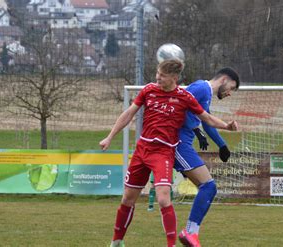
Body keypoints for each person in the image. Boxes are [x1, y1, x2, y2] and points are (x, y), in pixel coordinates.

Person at [99, 59, 239, 247]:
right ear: (224, 79)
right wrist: (109, 137)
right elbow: (129, 113)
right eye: (157, 73)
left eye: (162, 75)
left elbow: (205, 117)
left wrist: (224, 129)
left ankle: (176, 241)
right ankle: (117, 242)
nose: (157, 77)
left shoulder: (187, 95)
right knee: (128, 198)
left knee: (165, 198)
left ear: (174, 78)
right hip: (152, 148)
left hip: (164, 151)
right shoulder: (153, 90)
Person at [175, 68, 240, 247]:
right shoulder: (202, 88)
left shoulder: (205, 93)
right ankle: (189, 232)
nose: (229, 93)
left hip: (182, 144)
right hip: (177, 144)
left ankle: (190, 233)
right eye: (231, 88)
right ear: (224, 79)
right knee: (209, 187)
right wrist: (192, 129)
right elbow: (178, 103)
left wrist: (222, 144)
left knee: (208, 187)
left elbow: (206, 120)